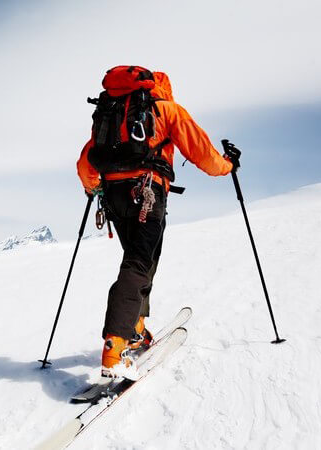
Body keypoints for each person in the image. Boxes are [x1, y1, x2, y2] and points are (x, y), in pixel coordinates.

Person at [76, 66, 235, 379]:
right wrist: (228, 166)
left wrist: (91, 186)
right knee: (138, 262)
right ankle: (116, 346)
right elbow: (203, 153)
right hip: (148, 193)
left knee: (140, 259)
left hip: (114, 196)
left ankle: (135, 326)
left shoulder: (112, 111)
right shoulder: (167, 110)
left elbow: (87, 158)